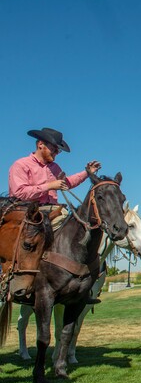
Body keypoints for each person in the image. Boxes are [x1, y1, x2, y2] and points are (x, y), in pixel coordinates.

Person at [7, 127, 101, 301]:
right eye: (55, 148)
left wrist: (87, 173)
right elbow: (19, 193)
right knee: (29, 242)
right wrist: (49, 186)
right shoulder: (20, 165)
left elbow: (66, 183)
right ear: (41, 144)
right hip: (28, 213)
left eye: (58, 149)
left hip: (53, 212)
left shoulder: (54, 167)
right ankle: (11, 282)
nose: (57, 152)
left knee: (80, 229)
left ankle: (82, 284)